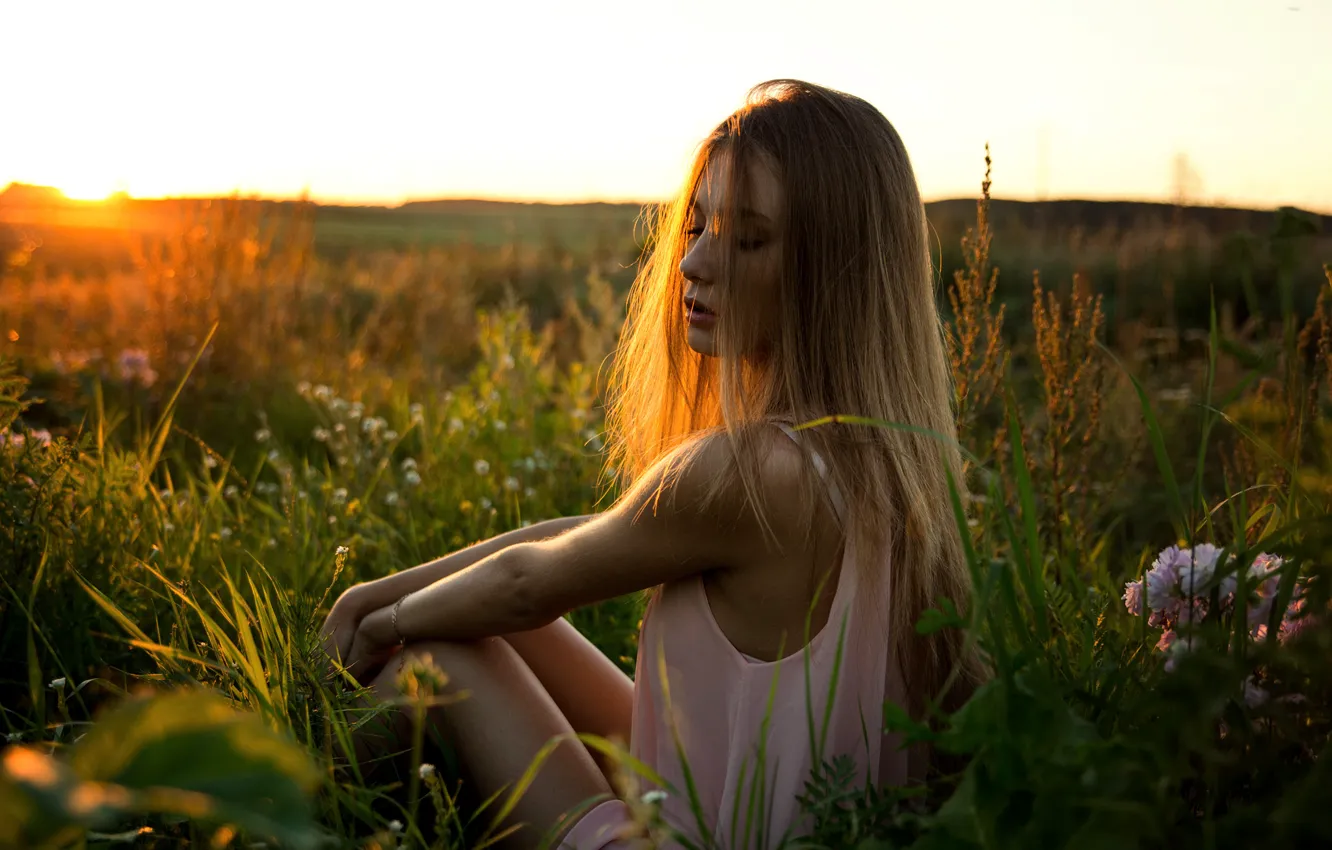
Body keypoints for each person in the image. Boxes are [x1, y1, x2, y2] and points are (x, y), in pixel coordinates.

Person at [320, 78, 987, 849]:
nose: (693, 262)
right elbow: (579, 541)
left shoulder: (750, 469)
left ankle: (289, 815)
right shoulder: (878, 460)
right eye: (698, 225)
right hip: (730, 804)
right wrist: (374, 594)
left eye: (748, 239)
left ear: (831, 269)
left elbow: (526, 585)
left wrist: (383, 626)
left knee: (435, 663)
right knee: (496, 631)